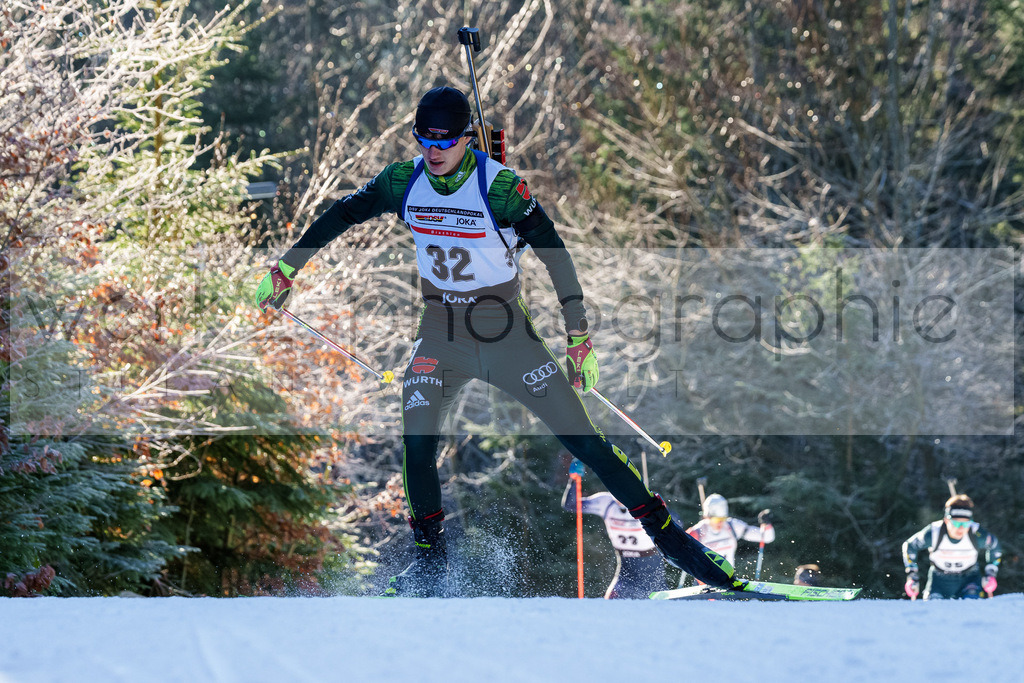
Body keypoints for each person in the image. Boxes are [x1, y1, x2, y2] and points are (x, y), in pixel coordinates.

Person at [255, 85, 741, 597]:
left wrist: (579, 337)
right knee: (416, 444)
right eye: (424, 139)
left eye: (444, 140)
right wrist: (288, 264)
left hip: (506, 335)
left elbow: (555, 252)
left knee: (583, 442)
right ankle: (429, 565)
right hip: (442, 335)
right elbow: (343, 213)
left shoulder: (501, 187)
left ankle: (675, 543)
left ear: (466, 138)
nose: (433, 150)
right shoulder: (403, 181)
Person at [561, 459, 668, 599]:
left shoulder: (645, 502)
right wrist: (574, 481)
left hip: (652, 574)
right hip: (625, 573)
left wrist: (661, 510)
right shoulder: (606, 502)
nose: (621, 495)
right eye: (617, 489)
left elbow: (675, 522)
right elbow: (571, 505)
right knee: (610, 606)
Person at [902, 494, 1002, 600]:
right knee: (933, 610)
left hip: (969, 579)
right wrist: (912, 575)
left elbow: (995, 546)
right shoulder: (934, 533)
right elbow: (910, 545)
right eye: (957, 524)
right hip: (939, 581)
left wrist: (990, 573)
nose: (961, 529)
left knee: (971, 606)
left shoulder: (976, 533)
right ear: (947, 520)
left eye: (966, 524)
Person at [678, 493, 774, 586]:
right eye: (716, 520)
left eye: (722, 519)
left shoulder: (732, 526)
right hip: (704, 584)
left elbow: (766, 537)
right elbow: (679, 550)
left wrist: (766, 523)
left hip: (727, 582)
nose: (720, 523)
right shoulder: (698, 532)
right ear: (707, 517)